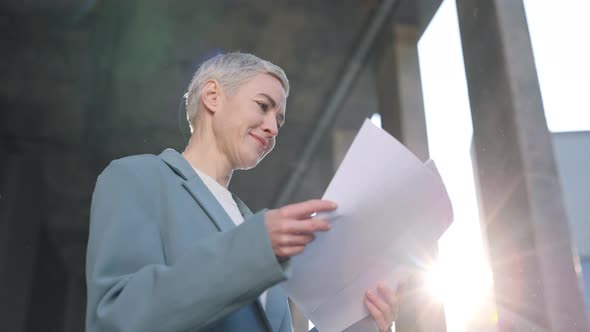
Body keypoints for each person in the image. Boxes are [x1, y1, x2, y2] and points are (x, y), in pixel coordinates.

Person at [86, 52, 399, 332]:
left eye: (279, 120)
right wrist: (254, 248)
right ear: (212, 96)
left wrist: (353, 326)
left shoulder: (253, 227)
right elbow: (117, 318)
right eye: (263, 106)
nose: (273, 128)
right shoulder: (136, 178)